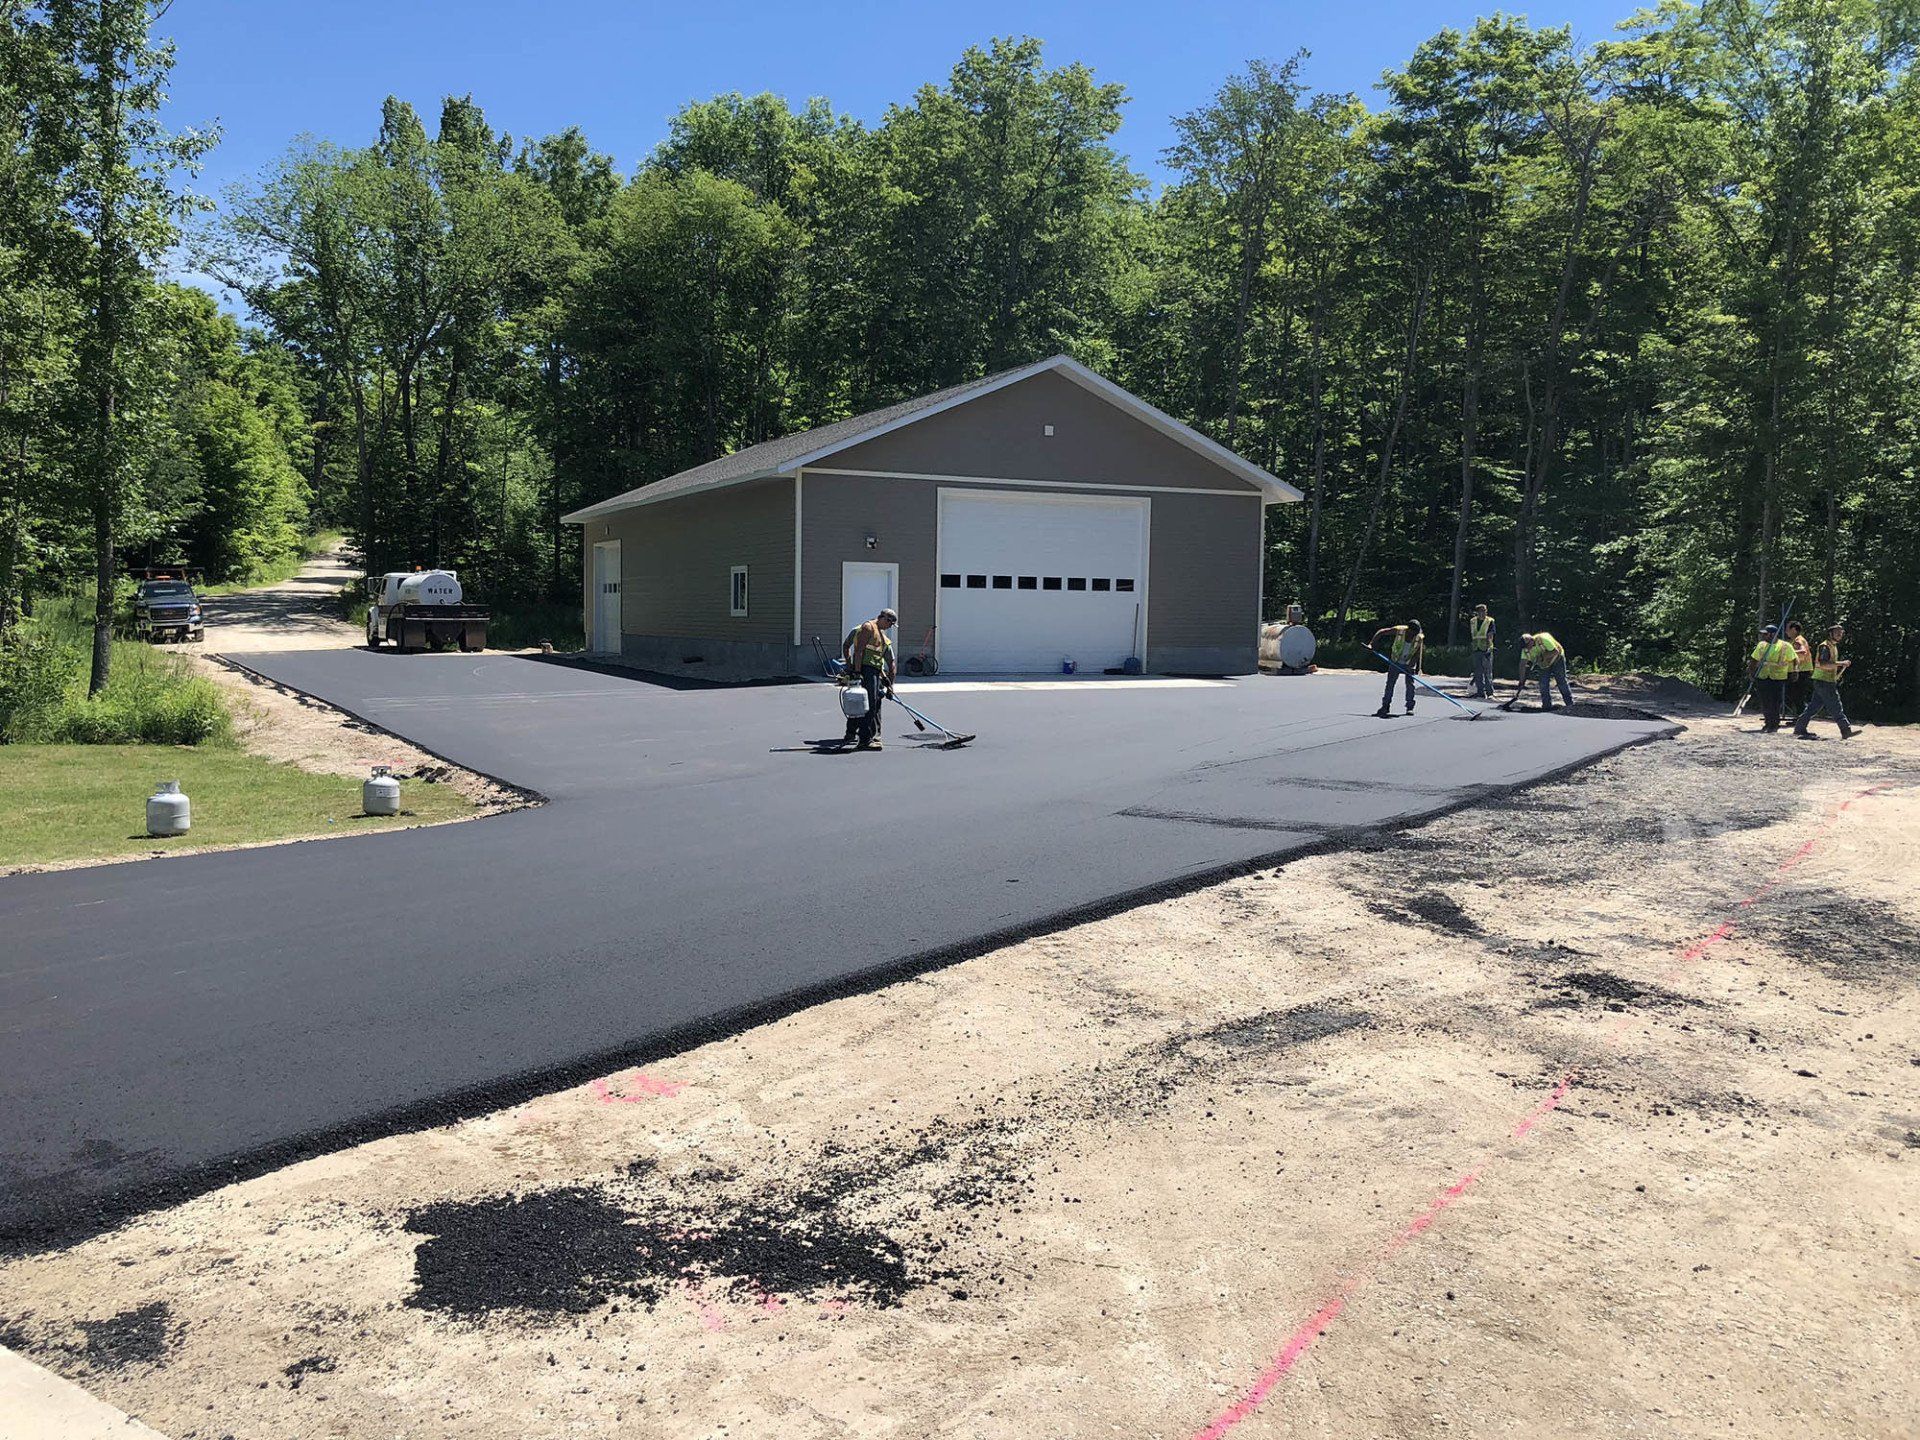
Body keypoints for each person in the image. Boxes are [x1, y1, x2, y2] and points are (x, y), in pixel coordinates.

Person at [841, 607, 898, 750]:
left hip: (875, 672)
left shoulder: (883, 636)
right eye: (890, 623)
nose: (890, 627)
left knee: (866, 704)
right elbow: (858, 651)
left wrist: (889, 685)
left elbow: (888, 663)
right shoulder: (868, 627)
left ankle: (859, 735)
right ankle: (865, 740)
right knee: (869, 705)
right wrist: (857, 671)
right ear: (884, 618)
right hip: (866, 671)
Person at [1793, 622, 1855, 740]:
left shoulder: (1832, 646)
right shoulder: (1825, 646)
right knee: (1836, 706)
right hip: (1824, 681)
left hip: (1823, 680)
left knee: (1813, 707)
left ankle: (1799, 727)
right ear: (1830, 633)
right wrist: (1841, 663)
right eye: (1837, 633)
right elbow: (1823, 663)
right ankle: (1845, 730)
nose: (1839, 635)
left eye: (1841, 633)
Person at [1745, 622, 1796, 732]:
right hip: (1763, 676)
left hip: (1778, 678)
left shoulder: (1785, 646)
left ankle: (1774, 724)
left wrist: (1794, 672)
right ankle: (1768, 722)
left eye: (1766, 634)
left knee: (1775, 701)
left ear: (1773, 634)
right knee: (1765, 701)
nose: (1763, 636)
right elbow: (1754, 659)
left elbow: (1794, 659)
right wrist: (1751, 672)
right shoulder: (1762, 645)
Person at [1371, 620, 1424, 718]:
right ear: (1409, 630)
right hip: (1395, 661)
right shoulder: (1399, 631)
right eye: (1413, 632)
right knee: (1390, 684)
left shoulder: (1419, 637)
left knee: (1410, 685)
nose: (1415, 635)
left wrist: (1413, 665)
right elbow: (1381, 632)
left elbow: (1417, 653)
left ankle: (1409, 707)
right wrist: (1372, 644)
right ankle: (1385, 706)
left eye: (1417, 633)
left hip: (1409, 663)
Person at [1514, 631, 1574, 710]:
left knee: (1561, 680)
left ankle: (1570, 704)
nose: (1527, 648)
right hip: (1544, 664)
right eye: (1524, 647)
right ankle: (1546, 706)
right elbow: (1522, 665)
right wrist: (1521, 680)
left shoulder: (1543, 639)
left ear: (1532, 640)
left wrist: (1542, 657)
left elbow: (1555, 651)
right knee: (1543, 683)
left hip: (1557, 659)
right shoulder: (1525, 650)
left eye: (1527, 645)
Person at [1783, 619, 1813, 719]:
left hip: (1801, 671)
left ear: (1794, 629)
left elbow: (1803, 651)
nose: (1785, 631)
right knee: (1795, 695)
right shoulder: (1795, 640)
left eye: (1788, 628)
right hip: (1799, 671)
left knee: (1797, 696)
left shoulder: (1798, 640)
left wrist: (1787, 655)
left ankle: (1803, 718)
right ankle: (1799, 718)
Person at [1468, 604, 1496, 699]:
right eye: (1480, 611)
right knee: (1478, 672)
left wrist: (1489, 647)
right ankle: (1480, 692)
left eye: (1484, 611)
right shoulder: (1473, 621)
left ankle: (1490, 692)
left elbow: (1490, 634)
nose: (1483, 612)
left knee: (1487, 671)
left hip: (1486, 649)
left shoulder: (1490, 621)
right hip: (1476, 648)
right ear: (1477, 612)